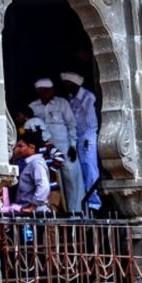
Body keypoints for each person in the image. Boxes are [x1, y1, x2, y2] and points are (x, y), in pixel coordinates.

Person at [30, 78, 84, 214]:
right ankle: (55, 211)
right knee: (51, 181)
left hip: (64, 147)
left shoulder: (62, 103)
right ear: (39, 91)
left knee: (71, 178)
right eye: (45, 91)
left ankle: (75, 212)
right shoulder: (33, 106)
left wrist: (72, 145)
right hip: (46, 149)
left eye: (50, 90)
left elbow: (71, 124)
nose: (48, 93)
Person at [60, 71, 102, 211]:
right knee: (81, 170)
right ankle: (85, 201)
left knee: (90, 167)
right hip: (78, 138)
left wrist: (85, 141)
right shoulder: (71, 100)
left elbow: (90, 123)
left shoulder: (87, 98)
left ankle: (94, 202)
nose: (66, 88)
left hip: (87, 137)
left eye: (68, 84)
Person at [12, 131, 51, 215]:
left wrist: (32, 207)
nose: (18, 149)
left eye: (21, 146)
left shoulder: (36, 164)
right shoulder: (29, 164)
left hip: (36, 212)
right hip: (27, 210)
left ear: (32, 147)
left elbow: (44, 186)